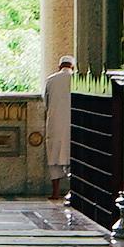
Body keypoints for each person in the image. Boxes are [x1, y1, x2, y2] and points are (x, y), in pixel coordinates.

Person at [42, 54, 75, 199]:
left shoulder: (51, 80)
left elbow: (46, 102)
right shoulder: (76, 79)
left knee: (54, 158)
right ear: (72, 66)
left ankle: (55, 192)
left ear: (59, 66)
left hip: (55, 123)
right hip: (72, 124)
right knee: (72, 157)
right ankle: (73, 191)